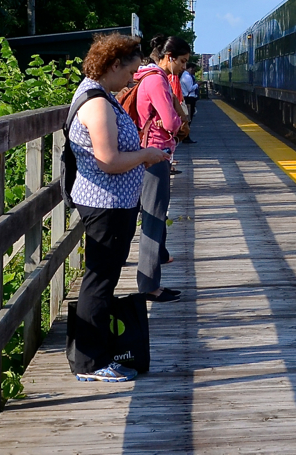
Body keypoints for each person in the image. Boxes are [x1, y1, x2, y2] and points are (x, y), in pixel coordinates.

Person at [69, 34, 170, 383]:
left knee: (102, 278)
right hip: (106, 205)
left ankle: (95, 356)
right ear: (113, 65)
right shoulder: (96, 103)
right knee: (99, 281)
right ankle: (91, 363)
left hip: (112, 203)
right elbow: (109, 160)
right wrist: (146, 155)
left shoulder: (99, 95)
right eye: (129, 70)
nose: (132, 77)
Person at [131, 35, 191, 300]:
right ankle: (150, 286)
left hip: (149, 154)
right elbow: (169, 121)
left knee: (151, 215)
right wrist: (179, 124)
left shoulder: (147, 76)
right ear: (169, 57)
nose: (184, 68)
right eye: (183, 62)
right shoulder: (156, 80)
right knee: (153, 219)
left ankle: (154, 268)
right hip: (155, 155)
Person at [180, 63, 199, 135]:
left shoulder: (186, 76)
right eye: (194, 69)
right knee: (189, 118)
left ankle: (186, 135)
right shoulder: (187, 77)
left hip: (188, 98)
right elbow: (190, 89)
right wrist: (197, 85)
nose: (194, 71)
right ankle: (186, 136)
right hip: (189, 99)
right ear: (190, 68)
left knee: (189, 117)